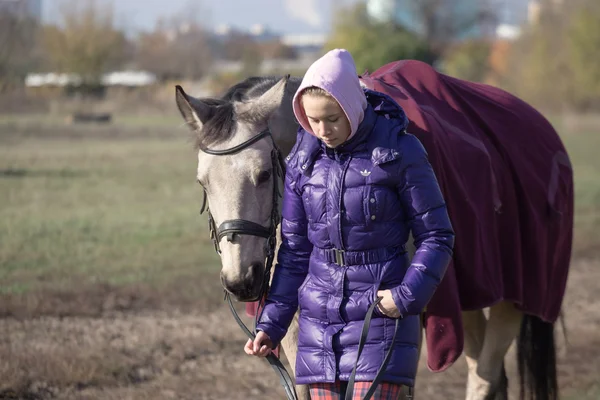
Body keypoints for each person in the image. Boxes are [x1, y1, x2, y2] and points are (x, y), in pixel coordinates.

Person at [244, 49, 455, 399]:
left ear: (353, 106)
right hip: (318, 325)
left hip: (381, 317)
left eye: (332, 118)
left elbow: (436, 236)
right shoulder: (302, 161)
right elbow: (295, 252)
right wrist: (271, 324)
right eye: (312, 120)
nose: (322, 130)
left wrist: (406, 296)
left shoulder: (400, 152)